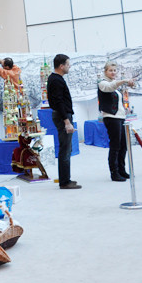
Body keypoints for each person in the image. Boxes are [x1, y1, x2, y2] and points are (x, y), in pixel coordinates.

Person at [98, 61, 136, 182]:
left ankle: (121, 170)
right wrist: (124, 80)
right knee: (115, 145)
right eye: (110, 70)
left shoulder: (115, 84)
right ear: (105, 72)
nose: (113, 72)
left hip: (120, 117)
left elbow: (119, 89)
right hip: (111, 117)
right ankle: (114, 172)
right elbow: (110, 87)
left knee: (123, 145)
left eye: (115, 70)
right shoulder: (102, 83)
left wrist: (130, 84)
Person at [47, 54, 81, 189]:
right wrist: (66, 121)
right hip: (62, 116)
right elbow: (59, 102)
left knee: (66, 148)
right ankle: (64, 181)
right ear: (61, 66)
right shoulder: (56, 80)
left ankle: (66, 178)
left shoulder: (56, 79)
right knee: (65, 149)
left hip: (62, 115)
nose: (69, 66)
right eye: (67, 64)